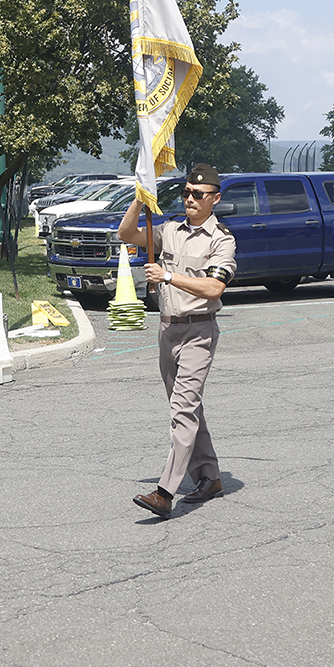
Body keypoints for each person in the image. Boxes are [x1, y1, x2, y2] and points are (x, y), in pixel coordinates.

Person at [124, 165, 237, 519]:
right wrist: (140, 195)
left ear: (214, 198)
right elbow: (127, 232)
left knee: (182, 410)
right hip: (167, 330)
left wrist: (169, 275)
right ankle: (209, 477)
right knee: (187, 406)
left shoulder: (221, 239)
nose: (189, 199)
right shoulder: (170, 230)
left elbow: (215, 288)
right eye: (185, 193)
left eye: (197, 194)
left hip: (199, 331)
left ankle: (164, 492)